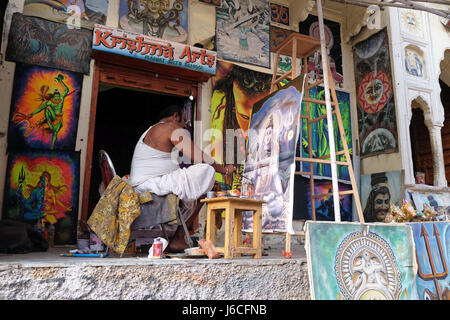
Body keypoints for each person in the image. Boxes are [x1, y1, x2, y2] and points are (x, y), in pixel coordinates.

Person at [129, 104, 236, 251]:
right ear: (175, 116)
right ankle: (179, 237)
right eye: (184, 120)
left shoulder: (152, 129)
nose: (185, 125)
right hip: (152, 184)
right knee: (205, 171)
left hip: (149, 182)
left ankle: (178, 237)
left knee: (204, 186)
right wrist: (224, 170)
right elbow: (198, 156)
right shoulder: (169, 127)